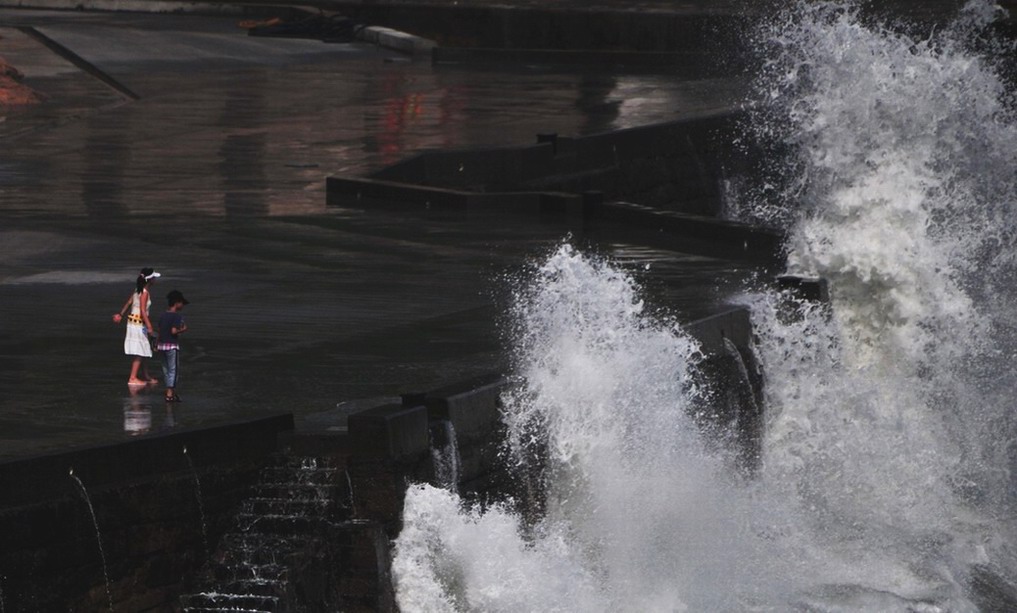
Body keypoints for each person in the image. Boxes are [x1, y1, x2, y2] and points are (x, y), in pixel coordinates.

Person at [112, 268, 160, 385]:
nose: (155, 279)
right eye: (153, 277)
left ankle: (145, 375)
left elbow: (129, 302)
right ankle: (132, 378)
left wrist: (121, 314)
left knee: (144, 349)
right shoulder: (144, 293)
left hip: (134, 323)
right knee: (140, 351)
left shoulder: (138, 290)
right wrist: (150, 327)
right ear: (150, 280)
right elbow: (143, 311)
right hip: (138, 324)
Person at [157, 289, 189, 402]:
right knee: (173, 369)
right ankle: (170, 393)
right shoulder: (177, 316)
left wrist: (156, 344)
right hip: (171, 346)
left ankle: (170, 391)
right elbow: (174, 331)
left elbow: (160, 331)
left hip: (161, 346)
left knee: (166, 369)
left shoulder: (162, 315)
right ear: (177, 303)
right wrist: (183, 329)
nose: (182, 306)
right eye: (181, 303)